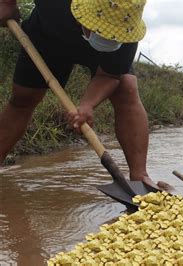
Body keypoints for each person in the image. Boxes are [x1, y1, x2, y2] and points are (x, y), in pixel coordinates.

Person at [0, 0, 170, 190]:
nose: (110, 37)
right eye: (104, 33)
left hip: (101, 57)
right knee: (23, 98)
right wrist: (7, 4)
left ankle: (140, 177)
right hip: (48, 37)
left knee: (126, 89)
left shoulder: (127, 32)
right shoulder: (54, 4)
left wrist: (87, 104)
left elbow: (108, 75)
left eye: (115, 36)